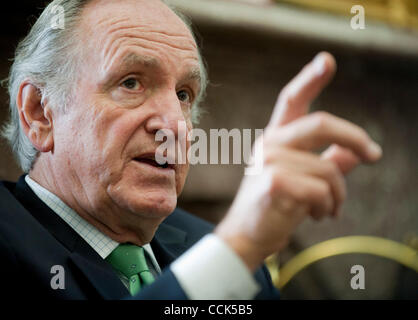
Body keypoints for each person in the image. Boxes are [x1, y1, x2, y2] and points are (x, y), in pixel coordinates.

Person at [0, 0, 382, 300]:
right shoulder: (232, 251)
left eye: (184, 94)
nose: (175, 125)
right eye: (131, 83)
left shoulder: (211, 244)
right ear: (39, 113)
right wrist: (239, 246)